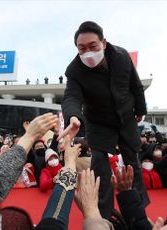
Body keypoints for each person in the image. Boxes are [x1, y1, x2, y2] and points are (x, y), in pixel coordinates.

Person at [59, 20, 149, 218]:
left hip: (126, 117)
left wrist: (140, 109)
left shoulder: (122, 56)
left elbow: (135, 84)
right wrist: (73, 116)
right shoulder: (74, 70)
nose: (88, 53)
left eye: (93, 46)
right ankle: (102, 213)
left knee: (132, 161)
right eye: (82, 49)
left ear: (104, 43)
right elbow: (71, 97)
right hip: (98, 121)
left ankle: (138, 208)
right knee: (99, 165)